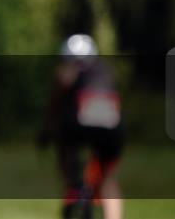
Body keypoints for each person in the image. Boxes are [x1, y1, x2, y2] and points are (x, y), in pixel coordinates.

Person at [39, 34, 124, 219]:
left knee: (67, 151)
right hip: (111, 127)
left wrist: (46, 132)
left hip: (78, 125)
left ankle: (72, 187)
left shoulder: (67, 70)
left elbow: (55, 102)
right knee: (108, 178)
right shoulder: (106, 70)